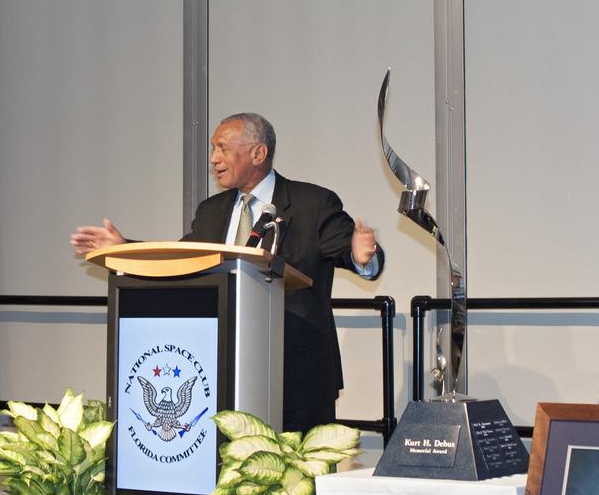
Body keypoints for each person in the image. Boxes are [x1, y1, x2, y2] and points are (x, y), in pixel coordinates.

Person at [71, 112, 383, 432]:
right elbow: (183, 261)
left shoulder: (312, 203)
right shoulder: (211, 211)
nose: (213, 158)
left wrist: (362, 256)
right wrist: (124, 247)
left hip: (298, 375)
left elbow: (352, 253)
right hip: (223, 371)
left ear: (258, 153)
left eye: (222, 148)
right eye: (212, 149)